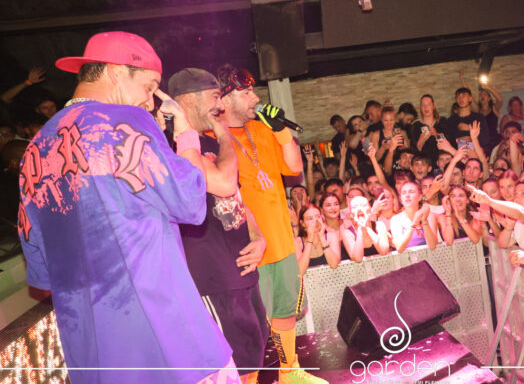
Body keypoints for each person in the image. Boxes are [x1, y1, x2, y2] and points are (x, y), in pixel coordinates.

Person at [18, 32, 237, 383]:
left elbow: (42, 275)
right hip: (167, 339)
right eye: (148, 87)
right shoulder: (125, 120)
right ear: (117, 71)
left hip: (96, 355)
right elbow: (191, 202)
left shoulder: (34, 150)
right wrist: (185, 136)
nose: (149, 101)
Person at [216, 68, 324, 383]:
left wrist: (281, 131)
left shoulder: (263, 129)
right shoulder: (213, 139)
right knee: (251, 326)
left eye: (254, 91)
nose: (256, 98)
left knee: (285, 313)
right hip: (249, 251)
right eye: (247, 92)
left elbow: (293, 167)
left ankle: (290, 372)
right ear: (225, 98)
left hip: (281, 242)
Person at [168, 68, 268, 383]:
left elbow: (236, 197)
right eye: (214, 96)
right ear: (188, 99)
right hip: (212, 278)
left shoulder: (206, 142)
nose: (220, 105)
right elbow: (223, 182)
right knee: (230, 368)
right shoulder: (174, 145)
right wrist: (224, 133)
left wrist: (258, 237)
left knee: (252, 359)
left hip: (241, 271)